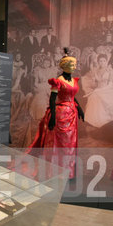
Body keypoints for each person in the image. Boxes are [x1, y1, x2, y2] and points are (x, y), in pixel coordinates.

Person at [26, 50, 84, 179]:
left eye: (75, 64)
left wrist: (79, 108)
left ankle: (68, 172)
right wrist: (52, 115)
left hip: (72, 114)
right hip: (61, 114)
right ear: (65, 66)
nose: (74, 67)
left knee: (69, 144)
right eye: (72, 64)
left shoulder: (74, 80)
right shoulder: (58, 81)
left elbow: (72, 96)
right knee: (59, 144)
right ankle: (54, 172)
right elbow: (52, 99)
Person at [83, 53, 113, 128]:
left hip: (107, 90)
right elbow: (95, 85)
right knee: (92, 97)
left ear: (106, 61)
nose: (102, 63)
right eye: (100, 61)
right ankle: (92, 120)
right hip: (98, 90)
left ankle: (103, 120)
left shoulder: (110, 71)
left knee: (95, 95)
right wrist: (93, 82)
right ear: (98, 62)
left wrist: (101, 90)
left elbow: (110, 84)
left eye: (104, 61)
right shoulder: (96, 71)